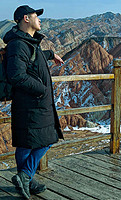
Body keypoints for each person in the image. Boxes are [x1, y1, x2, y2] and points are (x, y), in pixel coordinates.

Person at [3, 5, 64, 199]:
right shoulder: (18, 45)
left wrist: (50, 54)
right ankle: (26, 175)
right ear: (25, 19)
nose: (40, 19)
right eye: (36, 16)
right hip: (31, 103)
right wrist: (41, 89)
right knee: (47, 139)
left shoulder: (25, 42)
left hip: (32, 104)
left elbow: (33, 57)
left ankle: (26, 180)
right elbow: (16, 75)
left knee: (27, 143)